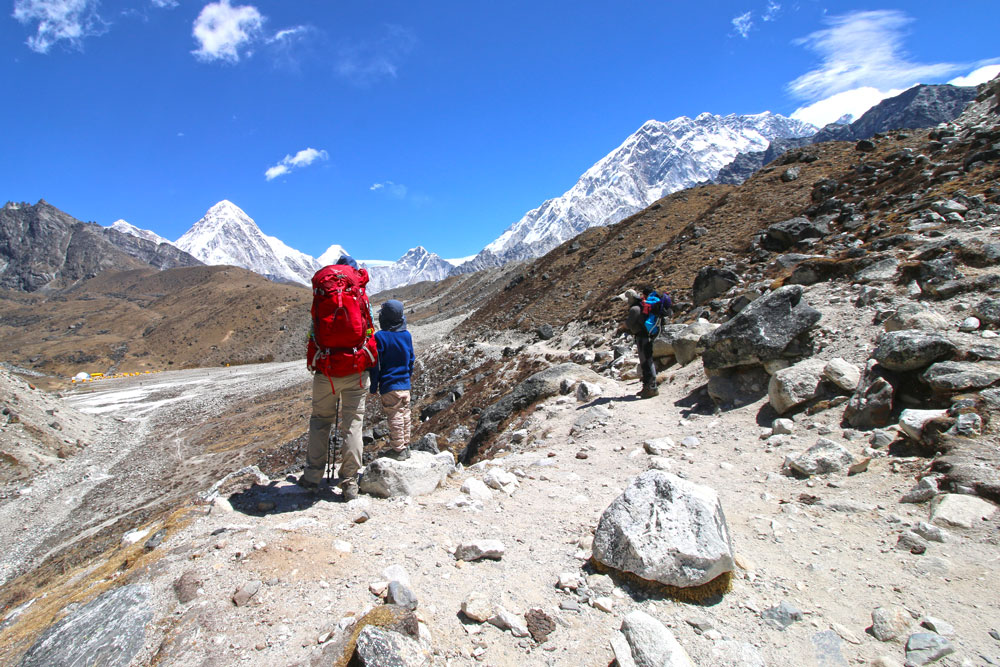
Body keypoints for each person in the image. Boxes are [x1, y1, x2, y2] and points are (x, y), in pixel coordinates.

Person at [302, 254, 377, 501]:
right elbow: (369, 329)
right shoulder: (360, 295)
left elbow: (314, 330)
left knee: (320, 421)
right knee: (353, 423)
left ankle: (312, 477)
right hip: (355, 369)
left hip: (327, 369)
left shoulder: (322, 294)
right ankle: (349, 483)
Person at [369, 299, 416, 460]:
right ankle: (406, 445)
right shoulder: (406, 335)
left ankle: (398, 449)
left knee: (394, 415)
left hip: (389, 384)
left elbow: (376, 365)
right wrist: (407, 377)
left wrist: (373, 386)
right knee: (405, 414)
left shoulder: (380, 337)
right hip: (405, 384)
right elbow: (411, 359)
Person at [625, 285, 666, 399]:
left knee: (646, 362)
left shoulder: (635, 308)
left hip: (642, 337)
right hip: (648, 336)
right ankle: (648, 387)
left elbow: (629, 324)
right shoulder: (643, 305)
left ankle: (651, 388)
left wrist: (627, 322)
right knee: (648, 361)